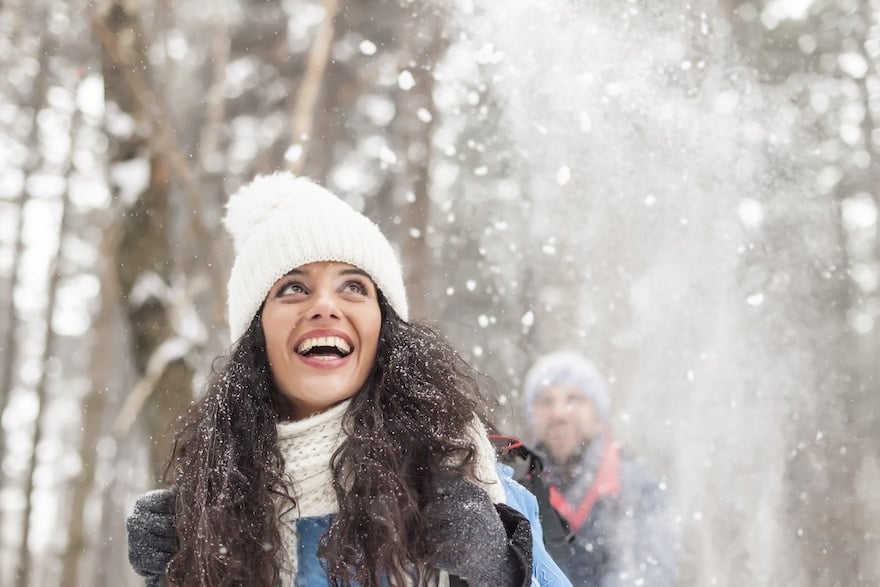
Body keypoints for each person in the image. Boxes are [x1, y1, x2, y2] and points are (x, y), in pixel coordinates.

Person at [125, 172, 572, 587]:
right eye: (293, 288)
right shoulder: (212, 505)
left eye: (354, 287)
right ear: (256, 335)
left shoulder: (467, 477)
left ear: (385, 328)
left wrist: (501, 570)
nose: (325, 306)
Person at [522, 351, 678, 587]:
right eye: (546, 401)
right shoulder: (514, 485)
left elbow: (653, 571)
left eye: (574, 399)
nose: (559, 413)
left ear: (598, 414)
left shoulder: (637, 486)